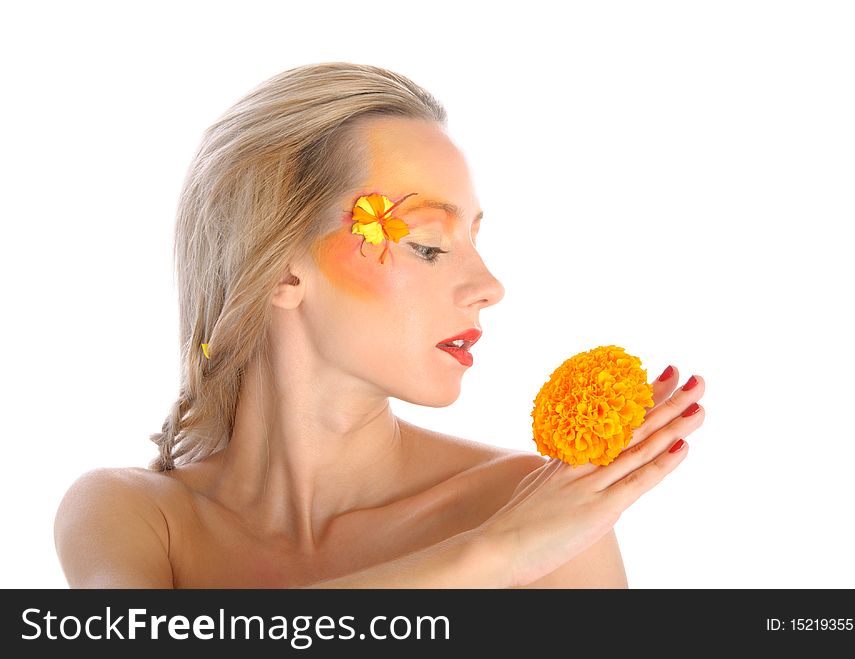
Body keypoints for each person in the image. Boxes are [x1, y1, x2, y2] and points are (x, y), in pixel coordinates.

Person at [53, 62, 705, 588]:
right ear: (281, 273)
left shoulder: (548, 509)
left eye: (474, 239)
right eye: (427, 244)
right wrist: (489, 558)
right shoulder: (131, 517)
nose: (490, 287)